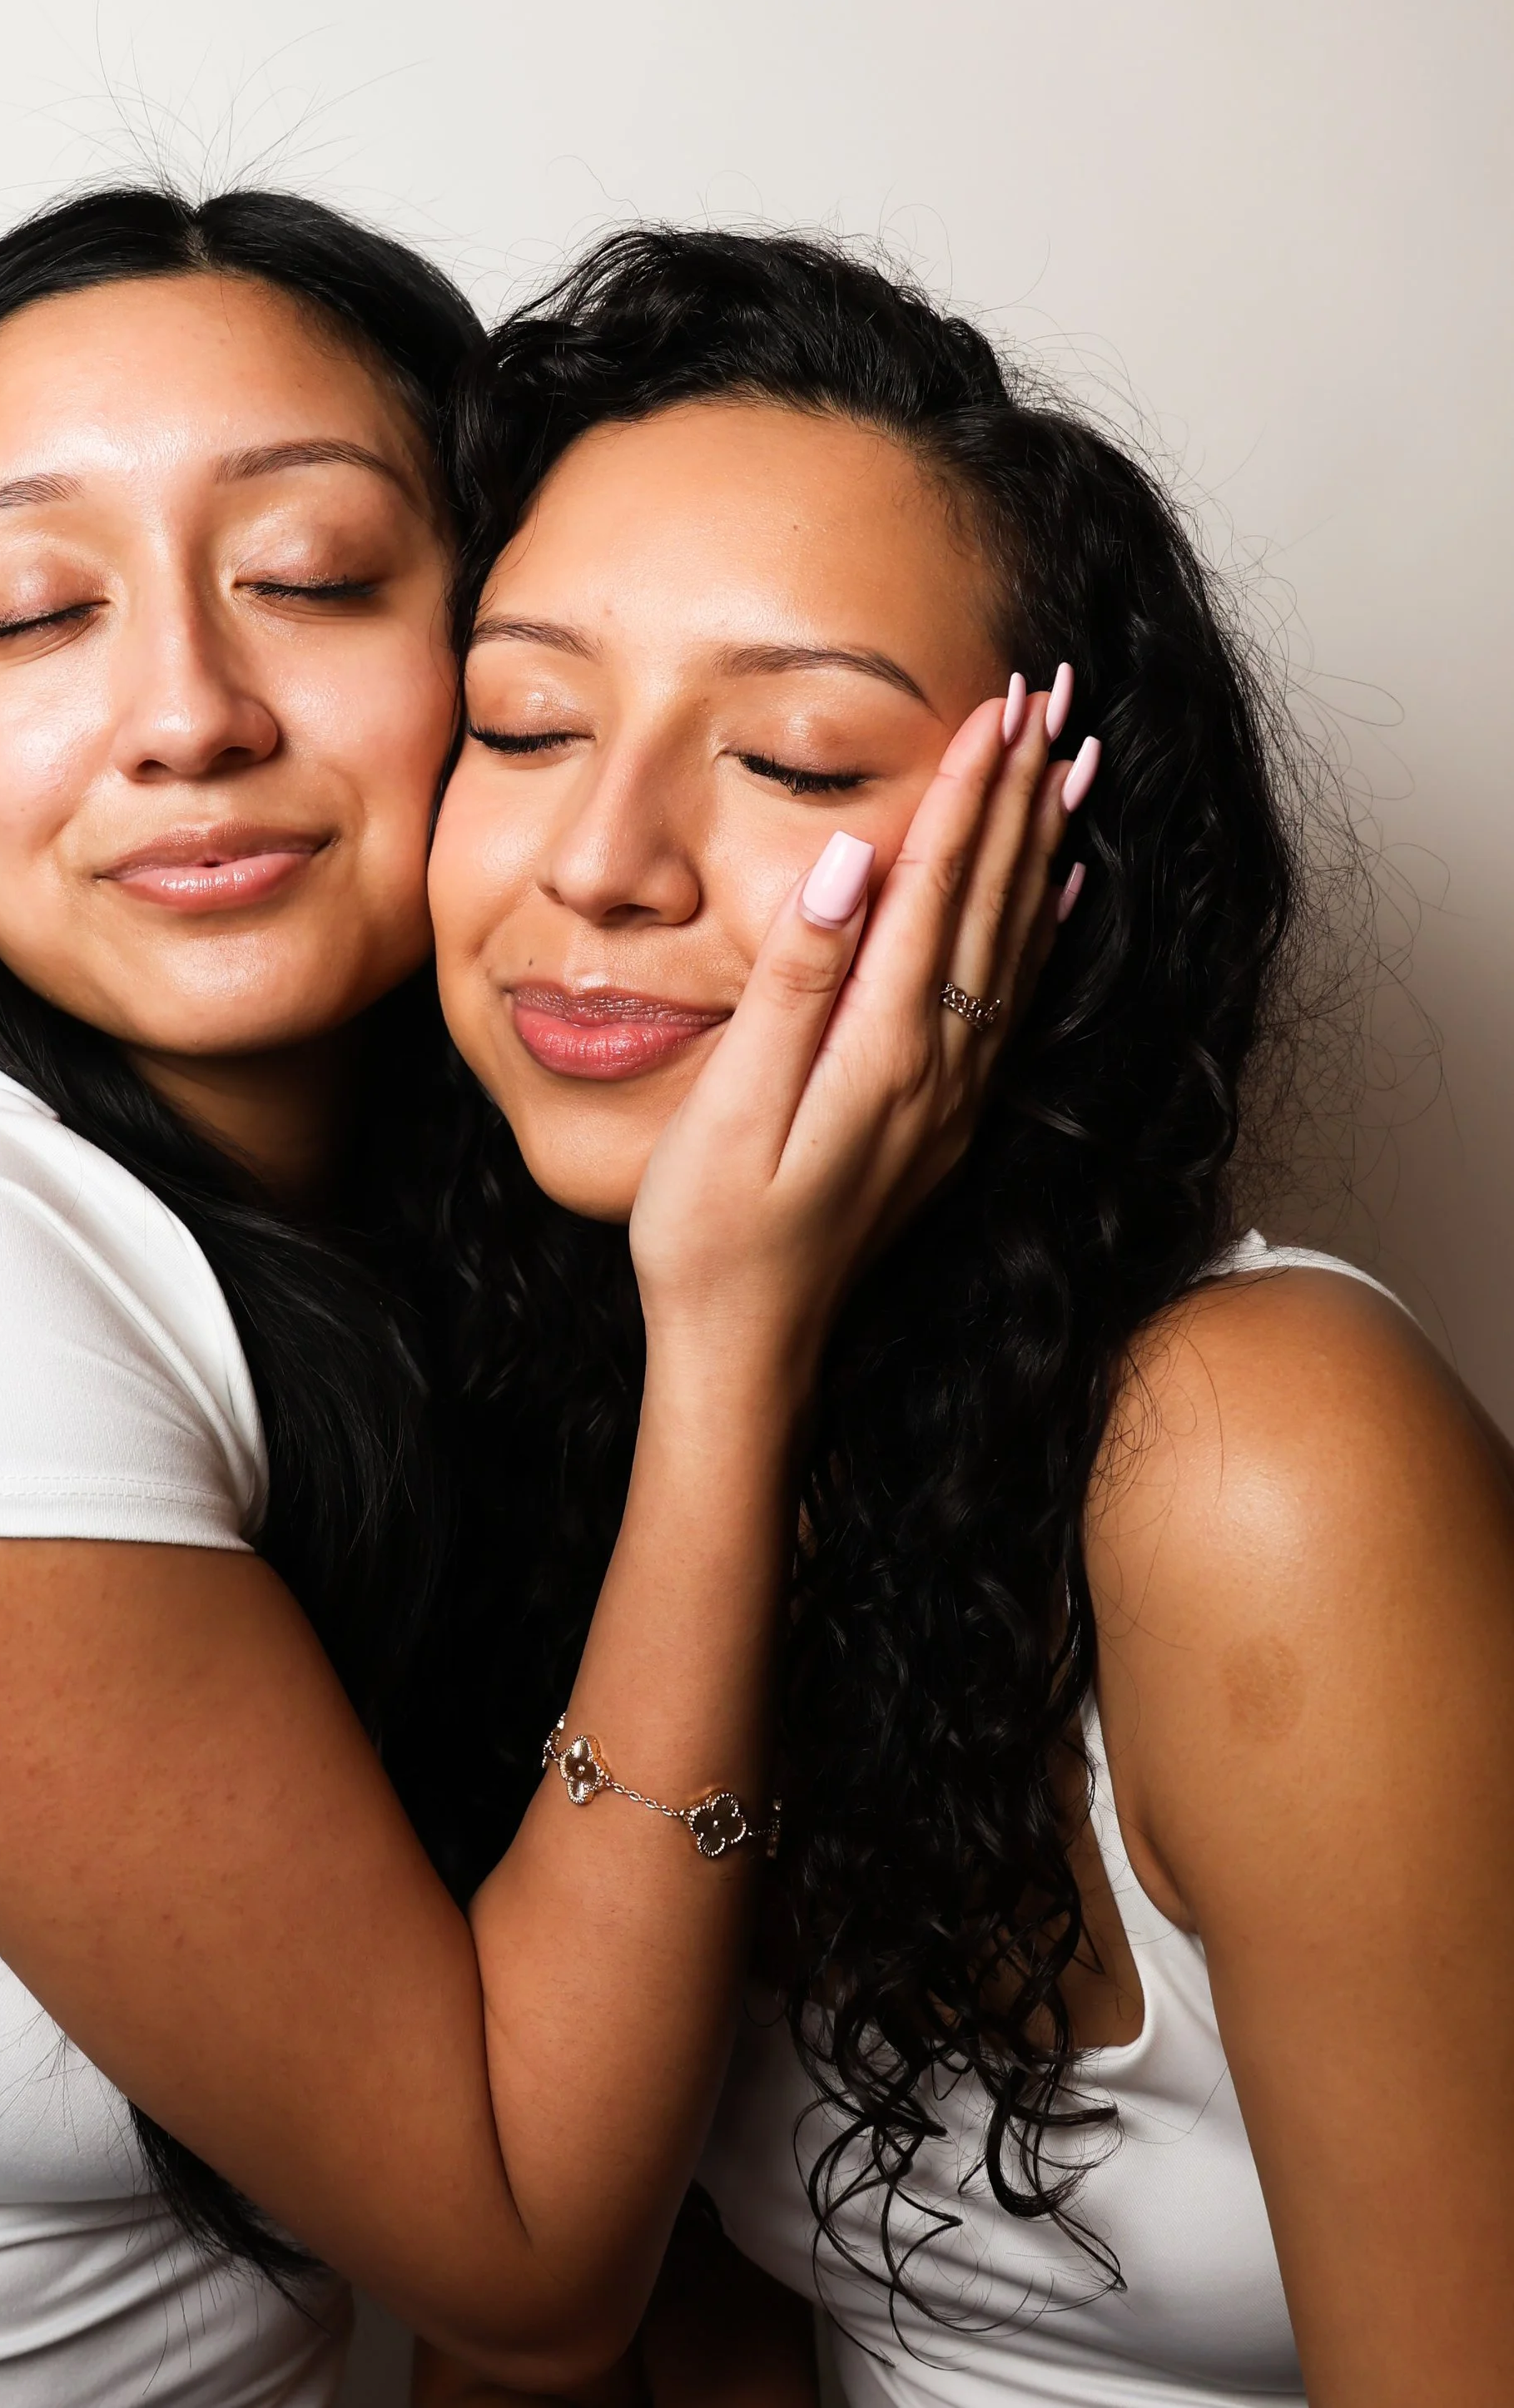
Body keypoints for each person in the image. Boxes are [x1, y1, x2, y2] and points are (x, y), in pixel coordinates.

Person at [0, 188, 1065, 2408]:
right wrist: (732, 1334)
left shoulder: (465, 1265)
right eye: (30, 615)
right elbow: (523, 2261)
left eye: (307, 578)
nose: (185, 710)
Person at [416, 228, 1514, 2408]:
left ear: (1046, 884)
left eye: (801, 763)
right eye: (521, 720)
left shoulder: (1263, 1457)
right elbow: (596, 2312)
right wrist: (725, 1347)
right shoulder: (549, 1408)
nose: (601, 855)